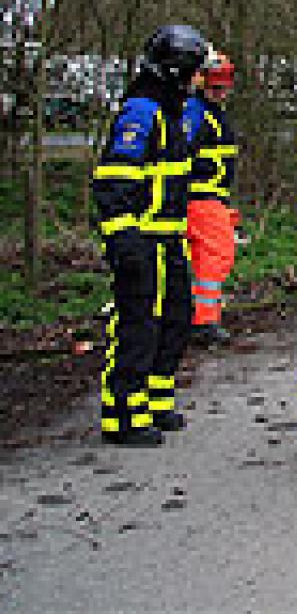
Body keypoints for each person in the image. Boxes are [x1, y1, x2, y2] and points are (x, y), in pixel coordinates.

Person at [93, 24, 208, 446]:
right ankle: (122, 413)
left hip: (169, 238)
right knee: (137, 324)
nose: (200, 80)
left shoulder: (171, 111)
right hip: (142, 238)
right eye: (195, 71)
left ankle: (157, 399)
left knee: (176, 319)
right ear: (176, 70)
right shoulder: (142, 111)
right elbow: (114, 179)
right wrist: (124, 239)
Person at [184, 51, 239, 345]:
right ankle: (204, 320)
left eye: (224, 87)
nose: (221, 93)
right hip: (202, 199)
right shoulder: (196, 113)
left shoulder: (207, 112)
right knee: (214, 258)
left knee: (209, 259)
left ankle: (199, 317)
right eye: (216, 87)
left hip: (211, 198)